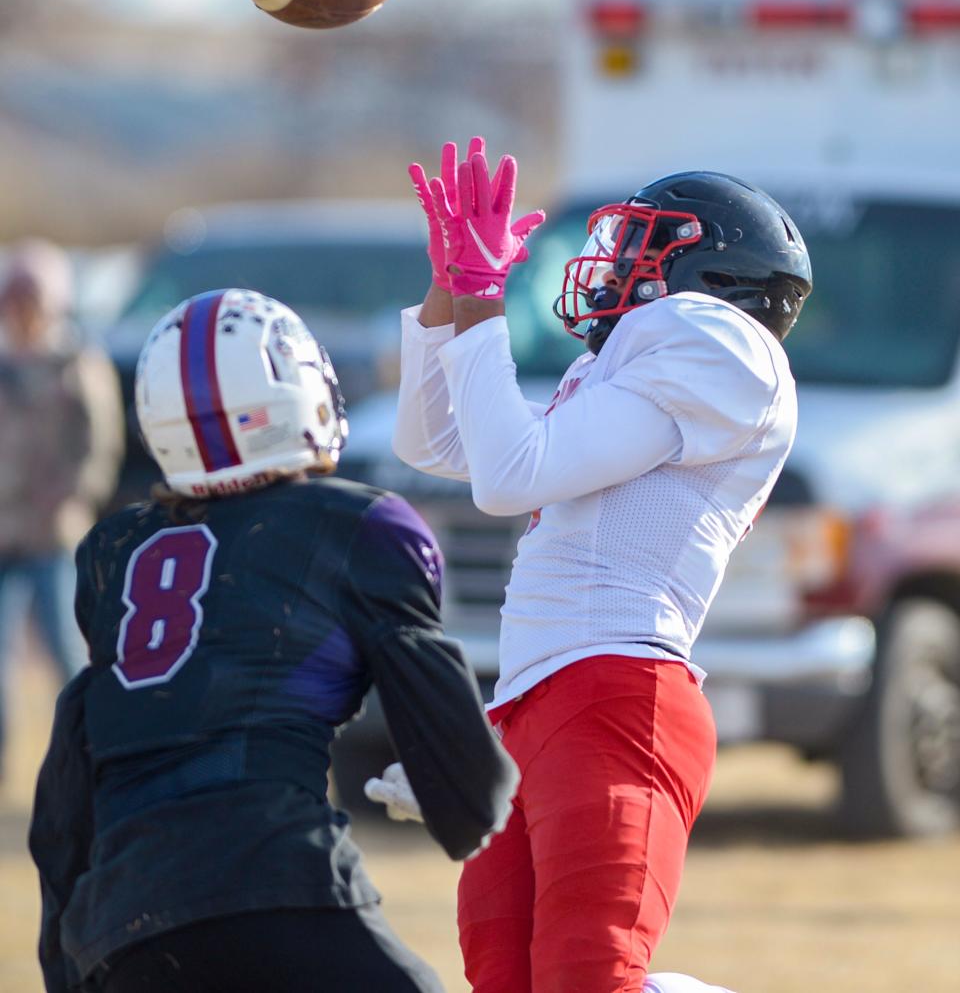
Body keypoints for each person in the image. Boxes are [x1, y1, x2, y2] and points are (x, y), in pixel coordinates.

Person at [387, 139, 812, 993]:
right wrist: (447, 295)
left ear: (713, 271)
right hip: (527, 703)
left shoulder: (721, 343)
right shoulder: (627, 360)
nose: (615, 261)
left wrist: (481, 302)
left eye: (643, 243)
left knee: (592, 979)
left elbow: (509, 478)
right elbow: (433, 442)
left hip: (619, 687)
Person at [29, 287, 518, 993]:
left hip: (118, 923)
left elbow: (71, 777)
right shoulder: (359, 524)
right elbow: (470, 798)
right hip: (277, 876)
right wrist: (468, 779)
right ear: (297, 389)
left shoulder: (114, 551)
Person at [0, 239, 123, 782]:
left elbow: (101, 446)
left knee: (68, 655)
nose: (22, 314)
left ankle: (91, 764)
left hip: (54, 533)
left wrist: (71, 494)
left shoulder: (77, 363)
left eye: (31, 301)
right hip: (4, 531)